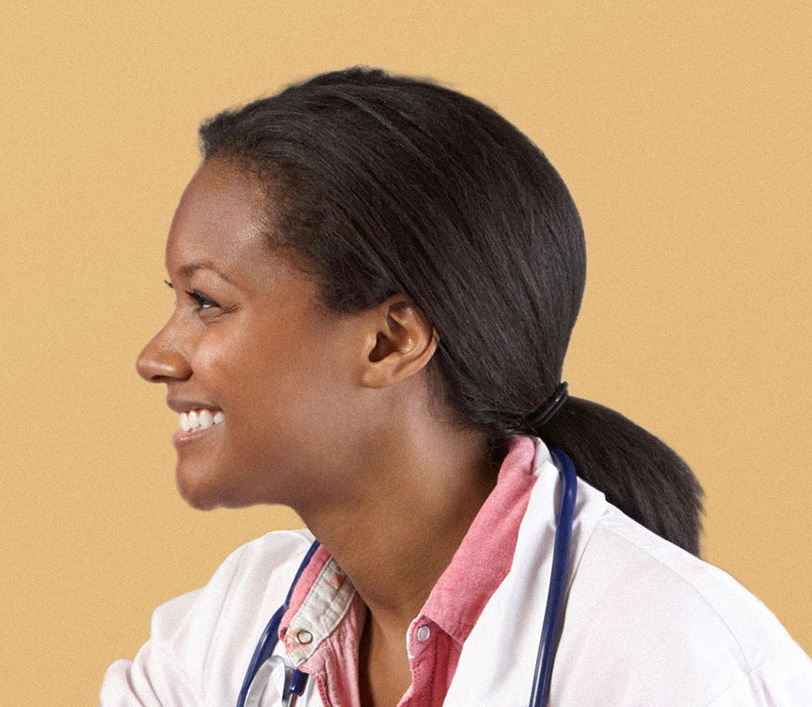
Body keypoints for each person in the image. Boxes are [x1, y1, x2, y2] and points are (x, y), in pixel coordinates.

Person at [100, 67, 812, 706]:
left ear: (390, 340)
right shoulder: (232, 627)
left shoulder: (679, 662)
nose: (156, 356)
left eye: (205, 301)